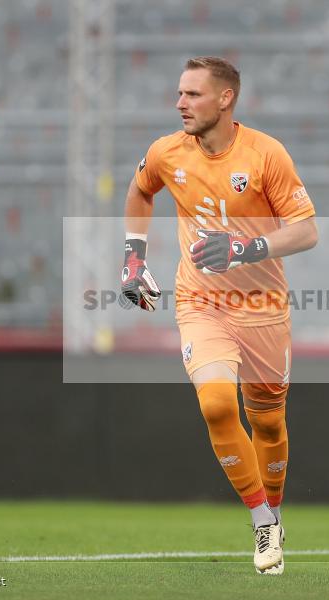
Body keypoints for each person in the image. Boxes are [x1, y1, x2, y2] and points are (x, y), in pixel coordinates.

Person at [120, 56, 318, 575]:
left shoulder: (265, 154)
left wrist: (245, 249)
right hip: (200, 302)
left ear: (225, 99)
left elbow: (306, 230)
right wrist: (134, 259)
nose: (180, 104)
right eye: (179, 93)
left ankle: (275, 510)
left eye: (192, 94)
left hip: (263, 307)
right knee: (215, 405)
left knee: (268, 423)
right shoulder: (166, 152)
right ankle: (261, 521)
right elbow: (140, 189)